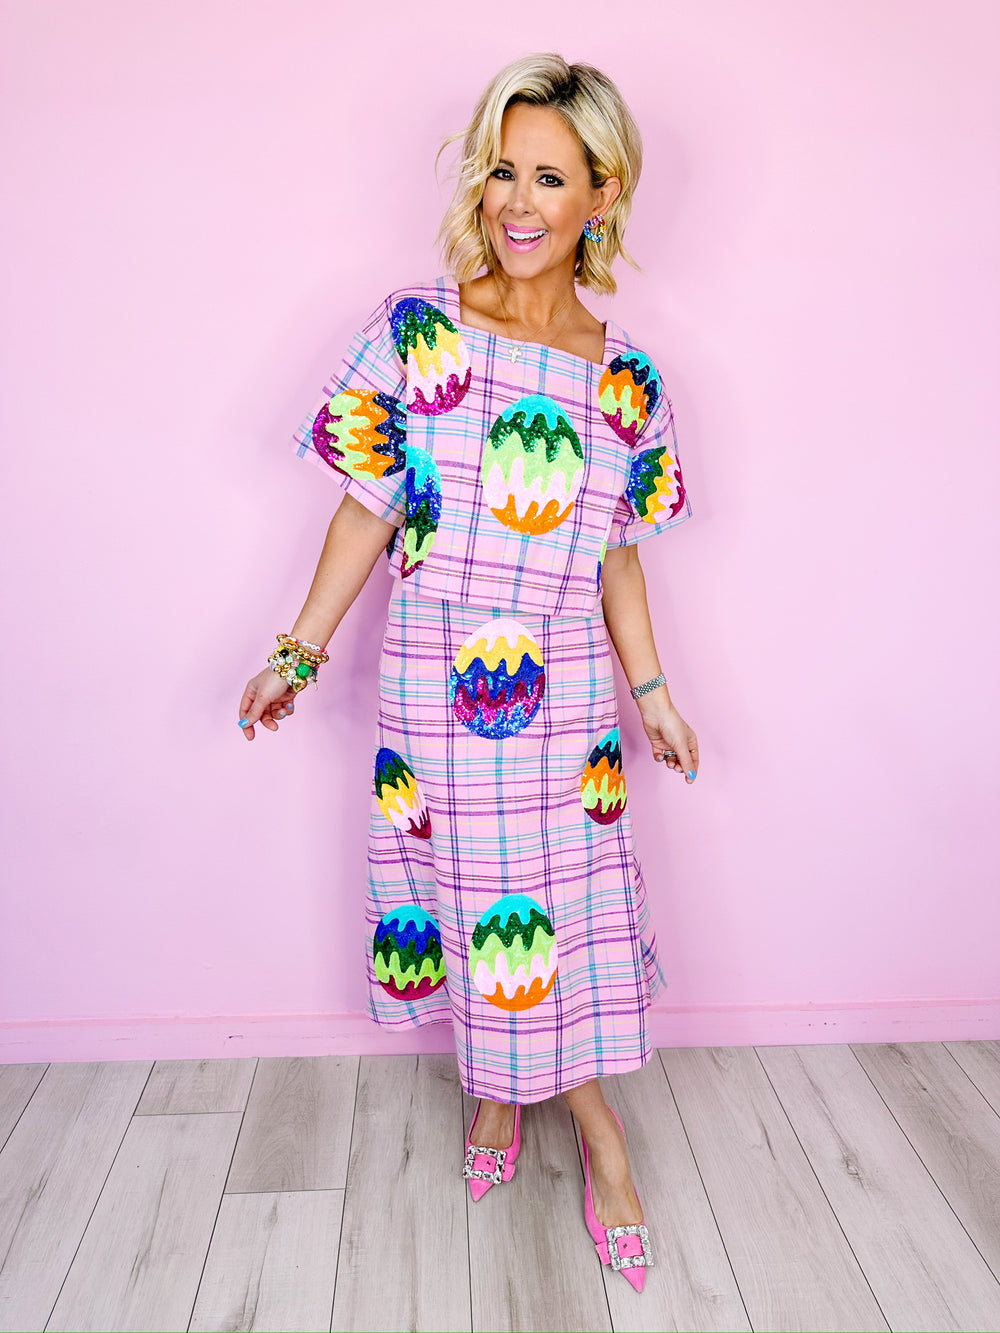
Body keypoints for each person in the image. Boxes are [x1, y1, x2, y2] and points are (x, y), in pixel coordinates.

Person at [238, 53, 698, 1293]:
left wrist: (654, 694)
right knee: (478, 906)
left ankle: (583, 1127)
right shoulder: (418, 330)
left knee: (566, 912)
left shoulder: (627, 378)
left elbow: (614, 553)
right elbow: (365, 507)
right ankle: (514, 1099)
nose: (517, 201)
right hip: (439, 680)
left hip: (569, 692)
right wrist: (296, 650)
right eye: (502, 169)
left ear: (602, 194)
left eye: (549, 176)